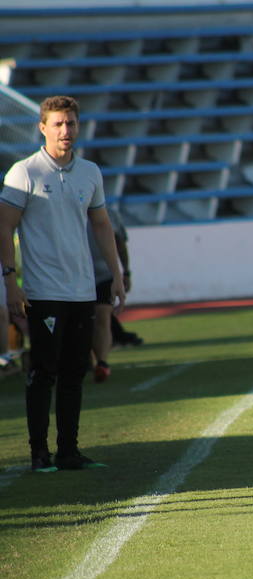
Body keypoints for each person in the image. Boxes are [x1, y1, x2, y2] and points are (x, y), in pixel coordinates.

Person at [0, 95, 126, 471]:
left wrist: (116, 274)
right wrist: (10, 280)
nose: (65, 131)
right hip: (41, 290)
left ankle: (68, 451)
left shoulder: (90, 172)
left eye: (70, 123)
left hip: (82, 290)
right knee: (42, 373)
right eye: (58, 124)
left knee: (75, 372)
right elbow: (4, 226)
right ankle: (39, 453)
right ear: (42, 127)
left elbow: (102, 225)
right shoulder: (24, 172)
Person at [89, 204, 133, 382]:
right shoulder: (66, 211)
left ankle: (102, 363)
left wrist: (125, 272)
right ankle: (88, 360)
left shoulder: (109, 213)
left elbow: (121, 243)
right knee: (83, 320)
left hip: (105, 274)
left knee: (102, 315)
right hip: (77, 275)